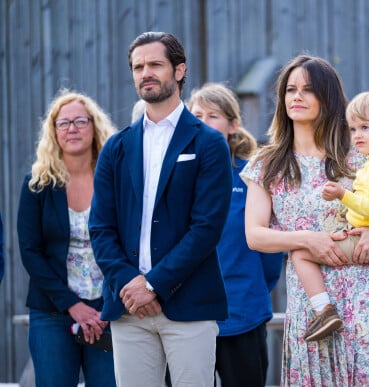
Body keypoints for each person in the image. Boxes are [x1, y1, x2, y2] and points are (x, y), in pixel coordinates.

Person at [241, 54, 369, 386]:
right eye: (290, 89)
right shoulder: (266, 164)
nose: (297, 97)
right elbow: (255, 236)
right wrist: (308, 240)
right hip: (314, 303)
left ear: (328, 97)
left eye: (308, 90)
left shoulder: (359, 154)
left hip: (364, 294)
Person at [88, 31, 232, 387]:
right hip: (128, 307)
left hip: (190, 304)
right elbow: (101, 228)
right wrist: (130, 284)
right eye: (138, 67)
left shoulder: (209, 143)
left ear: (179, 70)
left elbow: (206, 229)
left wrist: (153, 285)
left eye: (155, 64)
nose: (145, 73)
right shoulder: (116, 147)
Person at [292, 90, 369, 341]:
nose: (357, 135)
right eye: (352, 129)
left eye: (364, 128)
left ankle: (324, 310)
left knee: (300, 253)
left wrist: (343, 194)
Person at [16, 89, 117, 387]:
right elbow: (30, 251)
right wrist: (72, 304)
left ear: (95, 127)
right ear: (54, 132)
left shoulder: (114, 179)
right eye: (64, 123)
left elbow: (128, 245)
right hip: (53, 311)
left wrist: (107, 305)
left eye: (80, 121)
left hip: (107, 312)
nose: (72, 128)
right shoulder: (37, 184)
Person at [187, 82, 284, 387]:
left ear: (233, 125)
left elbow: (271, 252)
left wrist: (252, 288)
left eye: (212, 116)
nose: (202, 122)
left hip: (242, 311)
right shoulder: (176, 174)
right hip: (188, 315)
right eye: (196, 115)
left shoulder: (252, 176)